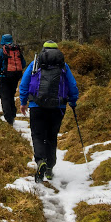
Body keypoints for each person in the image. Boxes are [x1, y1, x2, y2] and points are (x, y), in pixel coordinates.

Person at [19, 40, 78, 182]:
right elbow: (72, 84)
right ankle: (50, 168)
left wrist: (23, 102)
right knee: (51, 137)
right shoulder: (63, 66)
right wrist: (73, 101)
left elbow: (24, 83)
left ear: (43, 50)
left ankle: (40, 161)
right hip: (58, 107)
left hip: (37, 106)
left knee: (38, 135)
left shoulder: (35, 64)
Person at [0, 34, 26, 125]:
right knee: (11, 95)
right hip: (15, 76)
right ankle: (13, 113)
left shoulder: (1, 51)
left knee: (5, 97)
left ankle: (9, 118)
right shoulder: (16, 49)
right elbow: (23, 64)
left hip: (5, 77)